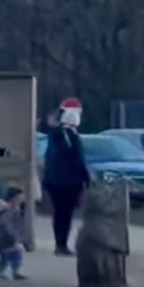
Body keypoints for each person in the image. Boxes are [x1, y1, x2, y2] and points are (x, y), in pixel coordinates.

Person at [42, 101, 91, 255]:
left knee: (58, 213)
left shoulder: (54, 136)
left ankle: (59, 243)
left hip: (53, 182)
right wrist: (87, 179)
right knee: (66, 214)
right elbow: (78, 160)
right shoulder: (73, 138)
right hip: (69, 183)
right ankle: (62, 244)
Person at [0, 187, 28, 280]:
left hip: (3, 236)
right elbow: (7, 224)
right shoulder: (9, 210)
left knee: (5, 256)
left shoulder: (11, 209)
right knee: (16, 254)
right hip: (6, 236)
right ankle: (15, 272)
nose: (21, 199)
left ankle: (0, 272)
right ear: (14, 198)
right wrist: (14, 235)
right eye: (19, 197)